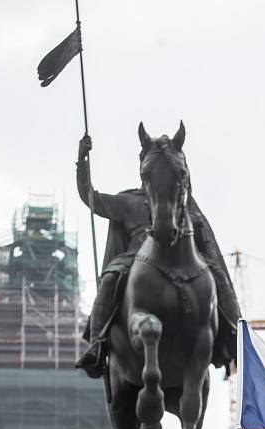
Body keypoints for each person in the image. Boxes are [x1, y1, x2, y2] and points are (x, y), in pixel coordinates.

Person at [75, 131, 240, 378]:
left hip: (183, 255)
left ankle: (236, 339)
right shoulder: (127, 201)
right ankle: (98, 344)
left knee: (217, 275)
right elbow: (91, 198)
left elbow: (200, 233)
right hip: (135, 257)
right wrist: (82, 160)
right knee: (111, 277)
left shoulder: (182, 203)